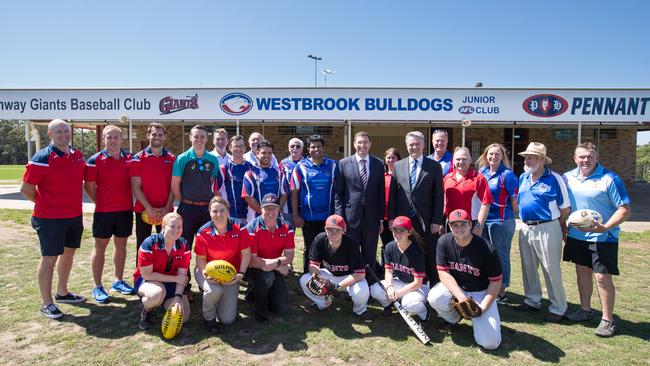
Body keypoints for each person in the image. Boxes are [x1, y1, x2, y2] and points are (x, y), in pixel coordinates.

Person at [563, 142, 631, 337]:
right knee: (582, 273)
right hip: (576, 236)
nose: (586, 160)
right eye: (582, 156)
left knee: (602, 277)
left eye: (590, 156)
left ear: (596, 157)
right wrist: (563, 227)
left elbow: (625, 209)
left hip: (603, 237)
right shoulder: (568, 178)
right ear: (575, 159)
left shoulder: (610, 179)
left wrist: (606, 227)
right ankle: (585, 310)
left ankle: (607, 320)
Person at [21, 119, 87, 318]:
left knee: (68, 254)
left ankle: (62, 292)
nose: (64, 135)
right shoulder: (41, 158)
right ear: (50, 134)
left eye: (66, 131)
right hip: (49, 218)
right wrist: (46, 205)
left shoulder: (76, 155)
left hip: (74, 215)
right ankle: (46, 303)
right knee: (49, 259)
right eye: (59, 131)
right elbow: (26, 189)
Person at [428, 209, 502, 350]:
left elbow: (496, 281)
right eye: (455, 224)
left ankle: (479, 320)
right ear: (449, 226)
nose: (459, 228)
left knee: (490, 344)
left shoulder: (486, 248)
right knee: (435, 297)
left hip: (481, 292)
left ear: (470, 225)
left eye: (463, 224)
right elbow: (443, 273)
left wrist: (482, 308)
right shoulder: (444, 241)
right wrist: (462, 298)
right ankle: (454, 319)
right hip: (459, 290)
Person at [515, 142, 570, 323]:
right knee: (528, 267)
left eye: (531, 157)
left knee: (550, 268)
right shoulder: (523, 177)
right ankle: (532, 300)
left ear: (541, 160)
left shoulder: (554, 178)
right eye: (526, 157)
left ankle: (558, 307)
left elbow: (565, 208)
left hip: (547, 227)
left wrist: (554, 225)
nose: (527, 160)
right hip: (525, 227)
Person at [84, 125, 135, 303]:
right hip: (104, 212)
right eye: (109, 137)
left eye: (116, 137)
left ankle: (118, 281)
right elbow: (89, 186)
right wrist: (100, 202)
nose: (112, 140)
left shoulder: (130, 158)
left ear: (122, 139)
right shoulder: (94, 160)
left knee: (121, 246)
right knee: (100, 248)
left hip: (125, 210)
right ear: (103, 139)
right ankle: (98, 286)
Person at [388, 131, 444, 285]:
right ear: (406, 146)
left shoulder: (434, 166)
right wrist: (392, 218)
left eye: (417, 144)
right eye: (411, 144)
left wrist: (437, 220)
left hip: (426, 220)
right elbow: (392, 195)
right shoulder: (398, 166)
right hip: (403, 220)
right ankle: (409, 281)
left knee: (429, 252)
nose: (414, 147)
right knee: (407, 250)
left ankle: (433, 285)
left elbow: (439, 196)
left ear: (423, 145)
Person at [194, 196, 251, 334]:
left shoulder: (240, 227)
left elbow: (246, 254)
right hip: (207, 271)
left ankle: (215, 299)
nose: (218, 214)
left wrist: (241, 274)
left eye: (222, 210)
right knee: (214, 291)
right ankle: (209, 319)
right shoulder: (203, 232)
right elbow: (200, 259)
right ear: (209, 212)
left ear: (228, 211)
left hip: (231, 275)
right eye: (215, 211)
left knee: (227, 320)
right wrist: (205, 275)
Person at [299, 214, 372, 322]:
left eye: (338, 230)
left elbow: (360, 274)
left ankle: (360, 310)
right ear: (325, 230)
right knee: (305, 280)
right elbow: (313, 265)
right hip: (329, 275)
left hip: (349, 277)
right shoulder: (320, 239)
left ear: (344, 230)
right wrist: (321, 280)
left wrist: (337, 287)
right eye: (330, 230)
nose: (334, 233)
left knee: (361, 292)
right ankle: (323, 303)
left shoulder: (351, 244)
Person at [335, 132, 384, 272]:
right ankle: (352, 283)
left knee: (370, 253)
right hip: (351, 217)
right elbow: (339, 194)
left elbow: (381, 193)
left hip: (372, 217)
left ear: (370, 144)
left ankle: (369, 283)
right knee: (351, 251)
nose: (363, 145)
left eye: (365, 142)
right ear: (354, 144)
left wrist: (380, 219)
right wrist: (339, 218)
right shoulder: (344, 163)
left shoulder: (378, 164)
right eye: (359, 142)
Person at [476, 143, 519, 303]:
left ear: (502, 157)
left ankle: (501, 290)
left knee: (501, 256)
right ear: (486, 156)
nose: (493, 157)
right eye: (490, 154)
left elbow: (515, 201)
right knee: (486, 255)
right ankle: (489, 286)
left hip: (501, 221)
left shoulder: (507, 175)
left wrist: (507, 217)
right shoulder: (482, 173)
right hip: (483, 220)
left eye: (497, 154)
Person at [291, 134, 339, 273]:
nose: (316, 149)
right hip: (308, 217)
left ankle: (326, 279)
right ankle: (308, 280)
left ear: (323, 148)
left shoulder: (333, 165)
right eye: (313, 146)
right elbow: (294, 192)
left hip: (328, 217)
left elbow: (338, 190)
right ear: (308, 149)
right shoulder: (300, 167)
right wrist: (295, 215)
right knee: (310, 248)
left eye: (319, 146)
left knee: (327, 248)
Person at [133, 212, 190, 330]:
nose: (176, 230)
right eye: (172, 226)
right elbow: (147, 275)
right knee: (156, 294)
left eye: (179, 227)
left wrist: (178, 296)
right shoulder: (149, 243)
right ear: (163, 227)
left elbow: (182, 275)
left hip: (171, 283)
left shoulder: (183, 244)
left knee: (184, 318)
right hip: (148, 281)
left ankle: (163, 303)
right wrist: (175, 279)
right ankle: (147, 310)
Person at [130, 122, 176, 264]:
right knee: (143, 245)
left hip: (165, 211)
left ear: (165, 137)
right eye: (154, 134)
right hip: (143, 210)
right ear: (148, 135)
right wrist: (149, 209)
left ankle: (166, 274)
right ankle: (141, 277)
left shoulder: (172, 159)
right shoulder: (137, 158)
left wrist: (167, 207)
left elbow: (174, 187)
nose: (157, 137)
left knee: (167, 245)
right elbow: (135, 186)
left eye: (160, 135)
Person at [245, 193, 295, 322]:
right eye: (267, 208)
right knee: (267, 278)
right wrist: (274, 266)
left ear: (279, 209)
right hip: (254, 267)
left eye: (274, 207)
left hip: (274, 265)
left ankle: (259, 293)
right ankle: (257, 305)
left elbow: (289, 256)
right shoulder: (251, 228)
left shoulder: (287, 227)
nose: (271, 211)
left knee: (282, 309)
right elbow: (252, 259)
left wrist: (276, 264)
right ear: (261, 209)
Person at [171, 125, 222, 251]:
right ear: (190, 138)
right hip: (187, 209)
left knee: (207, 245)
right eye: (196, 136)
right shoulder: (182, 159)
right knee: (184, 244)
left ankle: (204, 271)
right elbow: (175, 184)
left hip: (206, 209)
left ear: (206, 139)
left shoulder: (213, 160)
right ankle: (184, 271)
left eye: (202, 137)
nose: (199, 140)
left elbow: (212, 183)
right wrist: (183, 200)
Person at [370, 216, 428, 322]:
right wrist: (390, 287)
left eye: (401, 231)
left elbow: (418, 283)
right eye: (394, 230)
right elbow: (388, 271)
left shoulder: (417, 250)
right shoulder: (390, 247)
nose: (397, 234)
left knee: (408, 303)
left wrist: (398, 293)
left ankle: (424, 314)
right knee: (375, 289)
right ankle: (388, 306)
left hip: (420, 287)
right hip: (401, 282)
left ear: (409, 232)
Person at [442, 147, 492, 236]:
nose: (461, 162)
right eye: (458, 159)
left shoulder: (479, 179)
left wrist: (479, 225)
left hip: (471, 224)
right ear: (453, 161)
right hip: (451, 223)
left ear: (470, 160)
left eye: (464, 159)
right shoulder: (447, 178)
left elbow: (486, 204)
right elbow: (443, 202)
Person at [242, 140, 287, 222]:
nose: (267, 155)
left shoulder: (279, 173)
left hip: (276, 218)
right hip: (255, 219)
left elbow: (284, 195)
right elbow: (248, 197)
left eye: (270, 153)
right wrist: (265, 213)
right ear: (257, 154)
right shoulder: (250, 174)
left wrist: (274, 212)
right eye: (263, 153)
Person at [220, 135, 252, 226]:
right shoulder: (223, 168)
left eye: (241, 146)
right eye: (235, 146)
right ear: (230, 148)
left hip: (249, 216)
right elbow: (217, 192)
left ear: (245, 148)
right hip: (230, 215)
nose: (238, 148)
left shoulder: (251, 168)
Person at [379, 148, 401, 266]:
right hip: (384, 215)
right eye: (388, 157)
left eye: (393, 157)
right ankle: (385, 267)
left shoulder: (401, 175)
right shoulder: (382, 176)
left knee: (397, 242)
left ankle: (398, 266)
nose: (391, 160)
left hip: (396, 216)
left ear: (398, 159)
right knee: (385, 243)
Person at [279, 137, 304, 228]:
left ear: (302, 149)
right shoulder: (283, 163)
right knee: (288, 234)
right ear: (288, 148)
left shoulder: (307, 163)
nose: (295, 148)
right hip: (287, 205)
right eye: (292, 146)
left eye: (298, 146)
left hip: (304, 204)